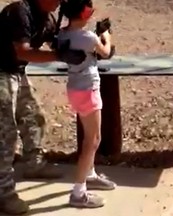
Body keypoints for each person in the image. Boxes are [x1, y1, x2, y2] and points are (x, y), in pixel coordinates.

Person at [0, 0, 87, 214]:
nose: (59, 2)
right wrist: (60, 56)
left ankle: (34, 163)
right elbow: (23, 51)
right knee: (5, 134)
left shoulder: (45, 18)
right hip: (1, 70)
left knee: (33, 116)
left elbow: (55, 42)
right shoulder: (20, 12)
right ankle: (3, 193)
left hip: (16, 72)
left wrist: (87, 40)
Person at [57, 0, 117, 208]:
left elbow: (79, 39)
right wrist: (106, 35)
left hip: (74, 88)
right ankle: (78, 192)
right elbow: (106, 52)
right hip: (88, 89)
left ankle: (89, 174)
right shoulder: (89, 37)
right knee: (92, 140)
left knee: (89, 137)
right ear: (84, 13)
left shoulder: (63, 33)